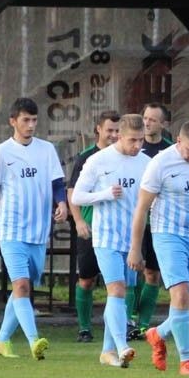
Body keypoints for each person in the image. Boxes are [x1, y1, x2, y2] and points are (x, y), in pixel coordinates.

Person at [0, 98, 68, 359]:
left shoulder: (47, 150)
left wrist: (62, 203)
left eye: (34, 120)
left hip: (39, 231)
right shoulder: (1, 152)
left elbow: (57, 183)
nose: (30, 125)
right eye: (25, 120)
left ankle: (1, 340)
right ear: (13, 121)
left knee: (22, 288)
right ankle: (34, 341)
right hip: (11, 230)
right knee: (21, 285)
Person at [129, 119, 189, 376]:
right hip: (168, 235)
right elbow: (142, 208)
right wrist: (135, 248)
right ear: (178, 141)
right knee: (181, 295)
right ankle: (186, 361)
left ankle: (159, 333)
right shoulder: (160, 163)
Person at [70, 114, 150, 367]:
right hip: (105, 237)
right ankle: (122, 345)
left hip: (133, 240)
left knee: (122, 294)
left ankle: (107, 351)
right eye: (132, 140)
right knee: (115, 289)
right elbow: (77, 197)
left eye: (141, 140)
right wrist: (104, 194)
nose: (137, 146)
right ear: (119, 136)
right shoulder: (98, 160)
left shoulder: (147, 163)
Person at [67, 111, 121, 343]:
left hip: (118, 230)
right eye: (109, 130)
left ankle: (119, 329)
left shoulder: (126, 156)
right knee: (87, 279)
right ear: (98, 129)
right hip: (91, 227)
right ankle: (85, 328)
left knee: (121, 282)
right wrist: (79, 221)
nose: (114, 135)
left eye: (117, 131)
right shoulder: (87, 157)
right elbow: (72, 193)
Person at [131, 101, 174, 337]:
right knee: (133, 268)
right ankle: (131, 318)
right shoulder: (133, 146)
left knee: (152, 273)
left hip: (159, 221)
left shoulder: (170, 151)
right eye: (145, 118)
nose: (147, 123)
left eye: (153, 120)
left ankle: (144, 323)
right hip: (137, 217)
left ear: (164, 124)